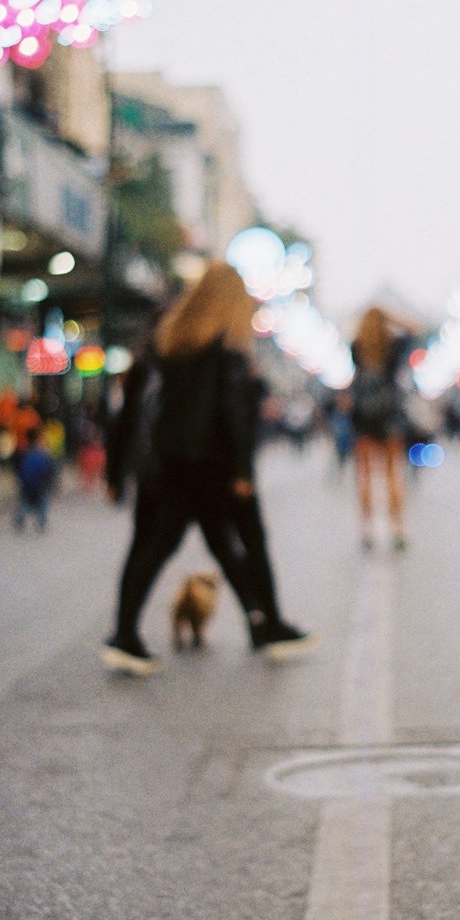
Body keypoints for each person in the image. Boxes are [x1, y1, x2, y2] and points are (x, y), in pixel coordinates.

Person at [102, 262, 315, 676]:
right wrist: (242, 472)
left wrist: (116, 469)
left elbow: (130, 409)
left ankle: (126, 633)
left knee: (152, 546)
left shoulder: (165, 337)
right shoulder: (226, 345)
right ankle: (267, 621)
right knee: (247, 541)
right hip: (213, 468)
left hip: (165, 466)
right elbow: (232, 413)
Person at [348, 306, 412, 551]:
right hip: (390, 416)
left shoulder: (356, 346)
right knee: (392, 474)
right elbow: (414, 328)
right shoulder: (392, 346)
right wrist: (390, 316)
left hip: (364, 416)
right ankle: (397, 529)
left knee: (364, 476)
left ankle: (367, 530)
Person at [14, 427, 56, 532]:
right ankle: (41, 523)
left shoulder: (25, 454)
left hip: (26, 484)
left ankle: (19, 518)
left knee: (27, 502)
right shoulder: (41, 456)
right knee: (41, 503)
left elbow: (20, 470)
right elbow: (47, 470)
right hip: (39, 484)